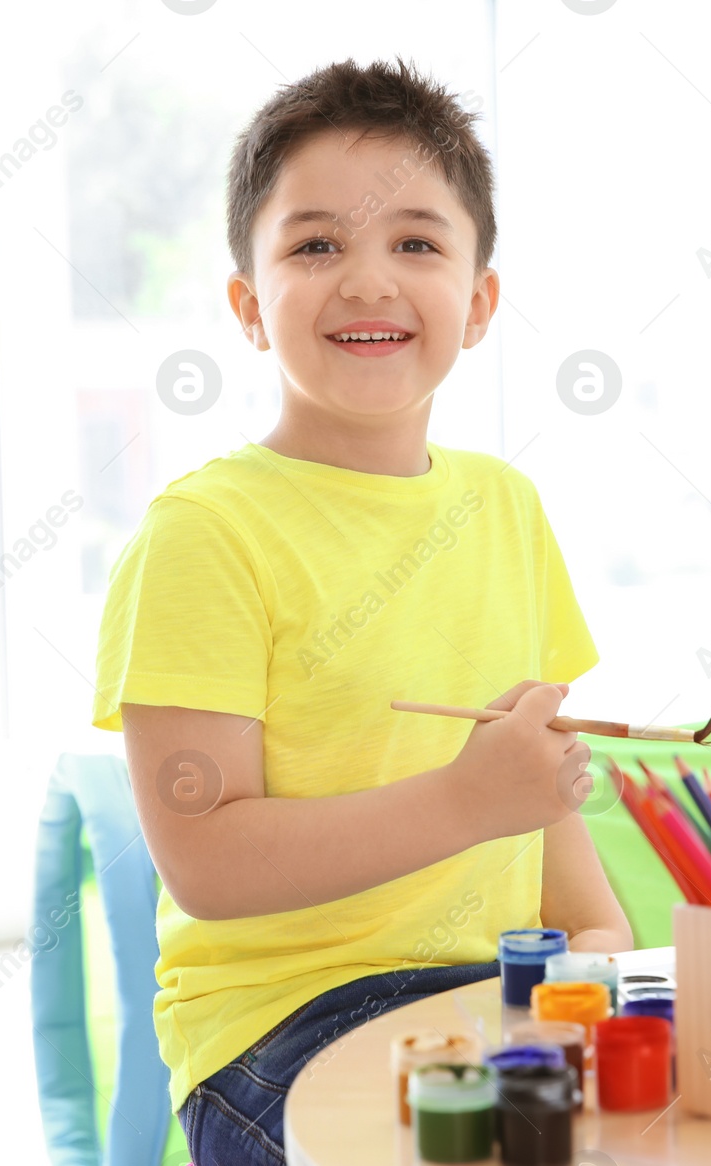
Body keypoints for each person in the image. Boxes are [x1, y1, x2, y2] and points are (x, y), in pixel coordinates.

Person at [91, 55, 632, 1165]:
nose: (370, 281)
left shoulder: (506, 507)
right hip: (283, 1031)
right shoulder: (205, 532)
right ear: (248, 305)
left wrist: (598, 947)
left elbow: (533, 790)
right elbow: (207, 860)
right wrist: (464, 798)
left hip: (498, 995)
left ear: (479, 302)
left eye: (418, 243)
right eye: (315, 244)